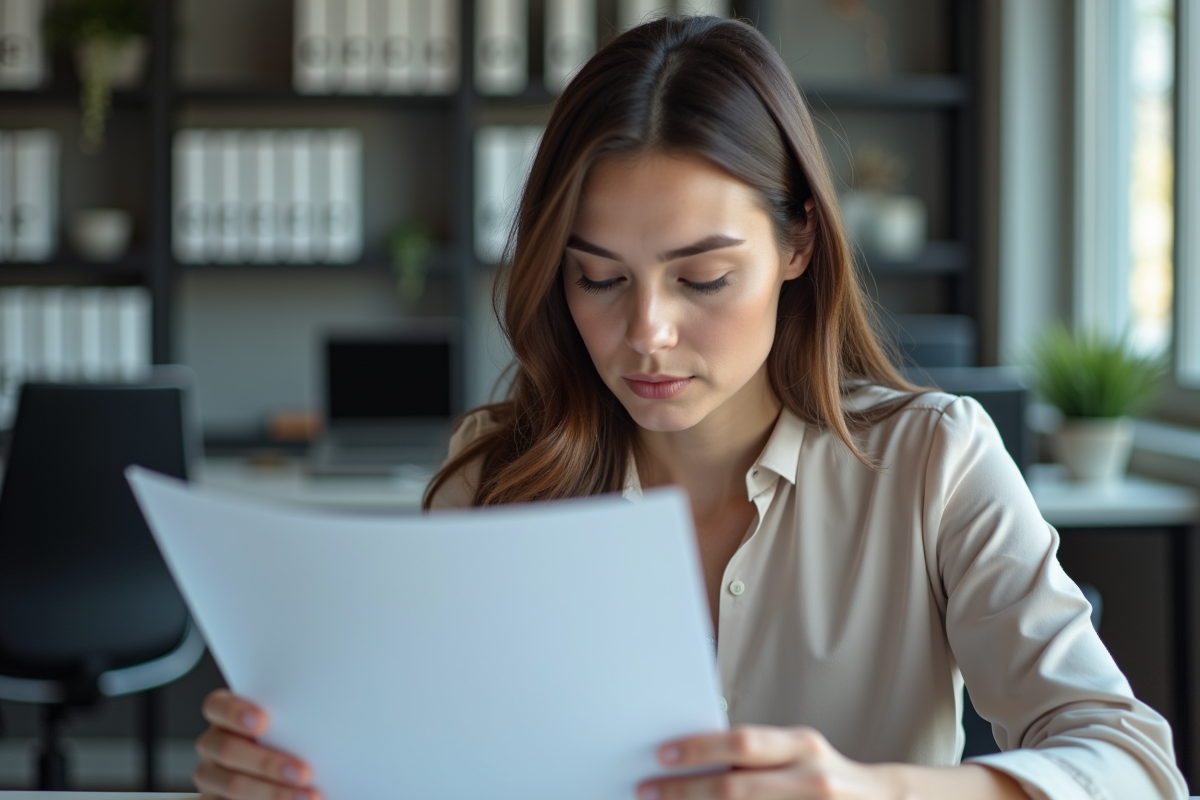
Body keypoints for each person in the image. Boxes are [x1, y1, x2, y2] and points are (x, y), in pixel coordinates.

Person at [191, 15, 1188, 800]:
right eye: (597, 278)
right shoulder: (495, 477)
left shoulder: (933, 461)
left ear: (799, 242)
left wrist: (871, 790)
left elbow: (1135, 765)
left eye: (703, 277)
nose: (647, 333)